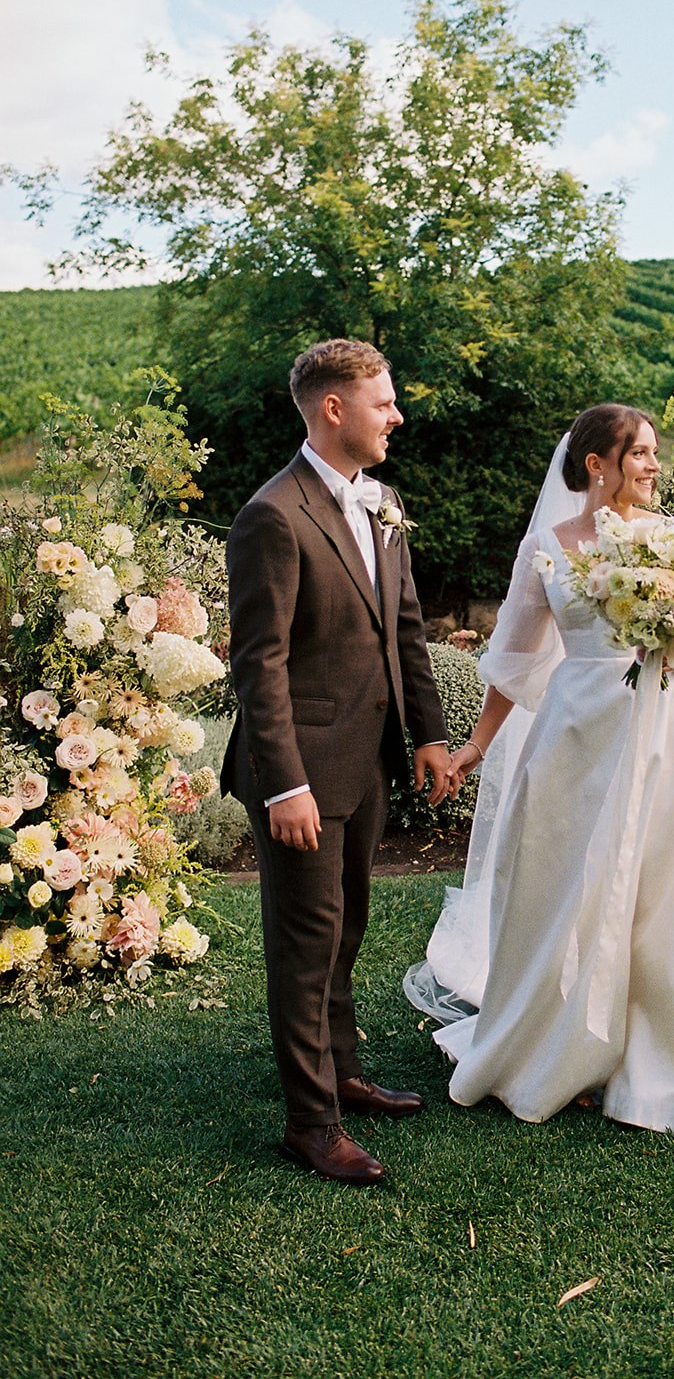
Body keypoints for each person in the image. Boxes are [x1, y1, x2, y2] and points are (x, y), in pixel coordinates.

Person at [405, 405, 674, 1138]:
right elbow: (514, 659)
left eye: (653, 452)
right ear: (597, 463)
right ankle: (562, 1041)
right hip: (576, 734)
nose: (653, 465)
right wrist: (477, 747)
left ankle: (661, 1046)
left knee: (666, 887)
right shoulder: (548, 547)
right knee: (562, 886)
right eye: (639, 452)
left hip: (671, 732)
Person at [223, 339, 451, 1185]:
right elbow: (260, 665)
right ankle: (310, 1125)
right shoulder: (272, 516)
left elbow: (406, 629)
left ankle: (344, 1072)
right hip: (302, 775)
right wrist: (285, 784)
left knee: (346, 925)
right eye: (383, 402)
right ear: (333, 408)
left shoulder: (382, 501)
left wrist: (429, 735)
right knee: (305, 944)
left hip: (367, 760)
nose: (396, 416)